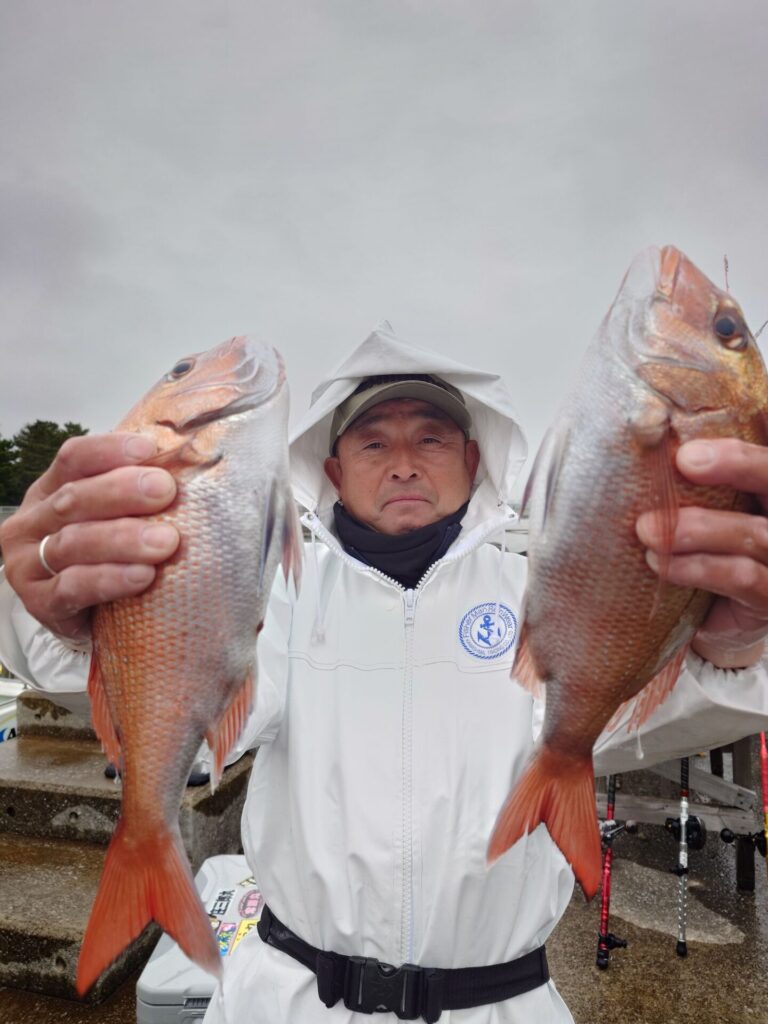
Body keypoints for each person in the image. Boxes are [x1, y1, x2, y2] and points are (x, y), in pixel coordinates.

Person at [2, 322, 768, 1024]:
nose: (403, 463)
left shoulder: (550, 593)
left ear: (474, 460)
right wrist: (59, 620)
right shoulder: (274, 594)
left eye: (431, 438)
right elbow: (173, 697)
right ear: (333, 471)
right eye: (373, 444)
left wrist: (732, 648)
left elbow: (643, 724)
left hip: (501, 1006)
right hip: (288, 1000)